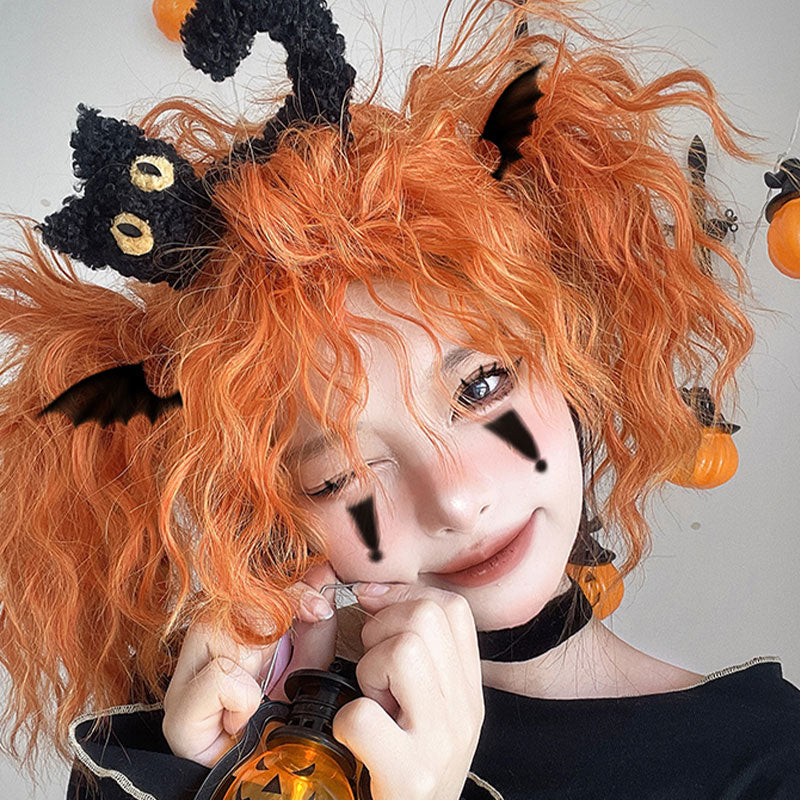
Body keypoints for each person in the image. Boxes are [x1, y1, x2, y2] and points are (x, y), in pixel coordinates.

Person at [0, 0, 798, 798]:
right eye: (339, 474)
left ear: (570, 354)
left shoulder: (764, 756)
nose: (452, 498)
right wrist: (211, 777)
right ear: (277, 515)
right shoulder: (202, 740)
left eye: (481, 386)